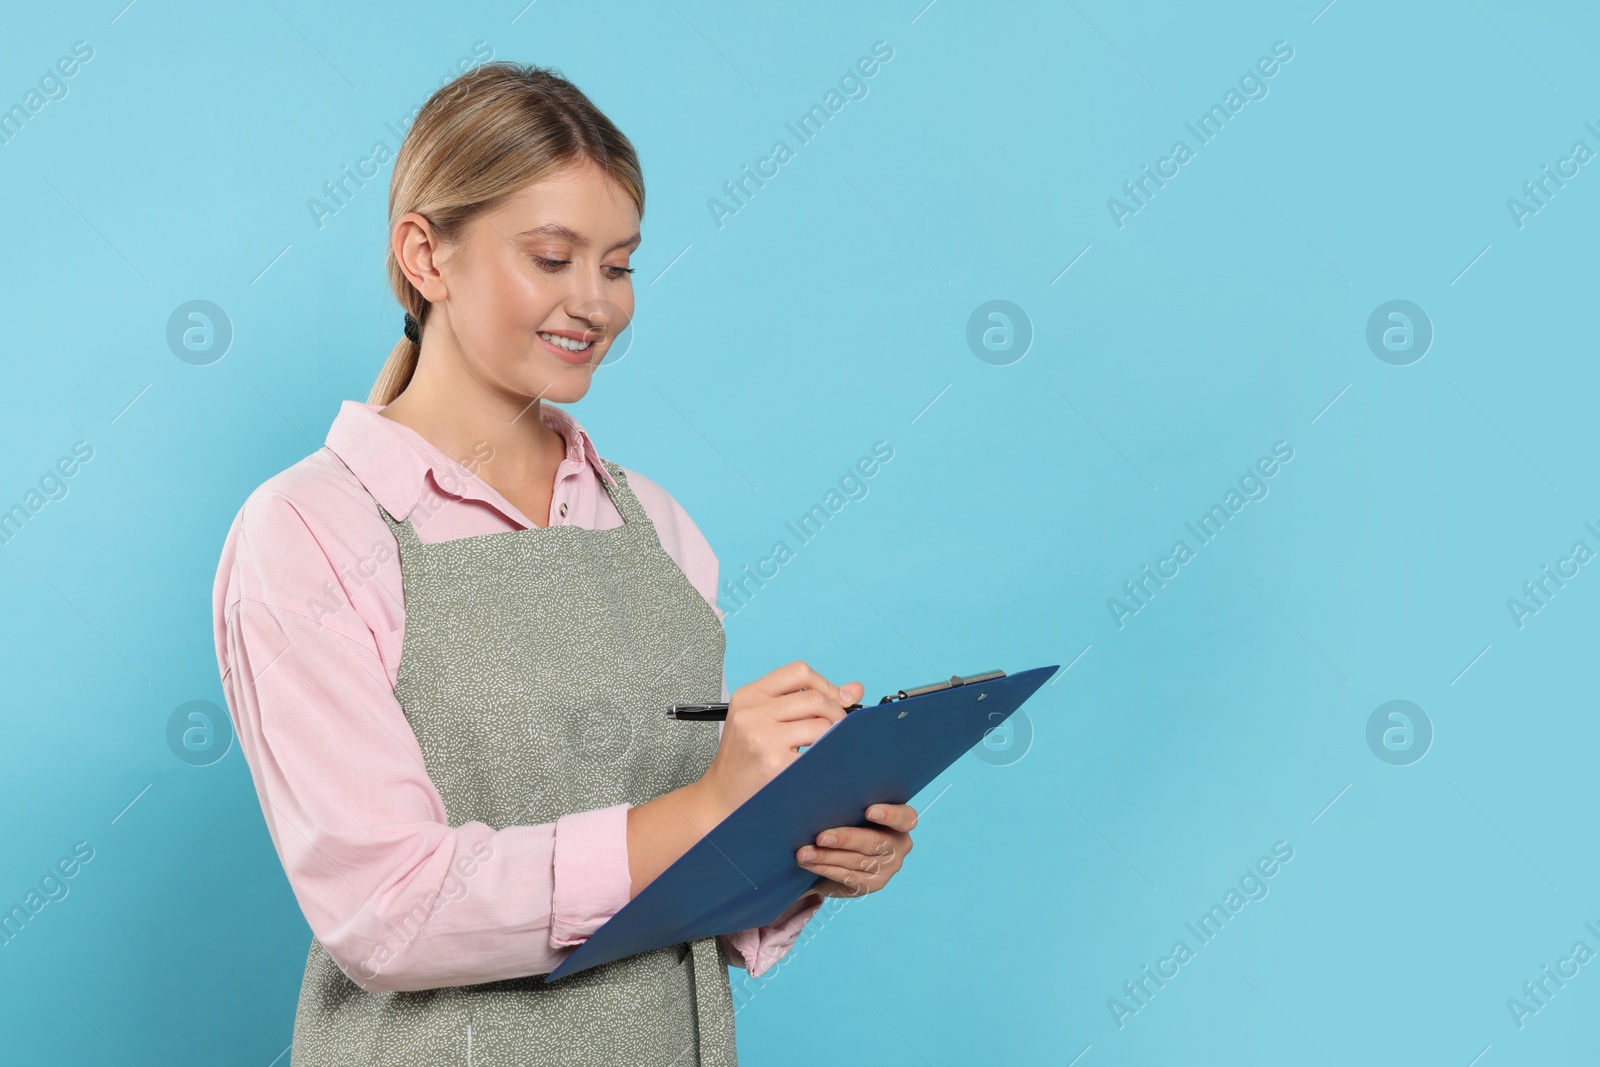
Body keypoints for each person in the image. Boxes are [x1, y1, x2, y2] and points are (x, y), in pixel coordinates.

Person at [210, 61, 917, 1066]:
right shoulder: (310, 531)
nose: (595, 303)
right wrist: (707, 805)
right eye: (551, 257)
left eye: (618, 264)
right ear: (425, 253)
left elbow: (681, 880)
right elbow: (386, 910)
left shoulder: (658, 527)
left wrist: (803, 846)